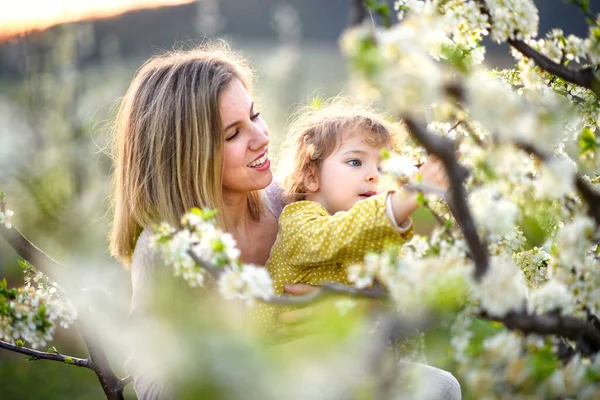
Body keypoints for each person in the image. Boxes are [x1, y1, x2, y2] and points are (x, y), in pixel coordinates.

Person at [110, 43, 460, 399]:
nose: (261, 138)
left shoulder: (291, 203)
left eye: (255, 115)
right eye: (233, 134)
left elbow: (375, 274)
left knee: (441, 387)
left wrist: (355, 306)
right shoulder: (165, 248)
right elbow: (154, 384)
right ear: (188, 154)